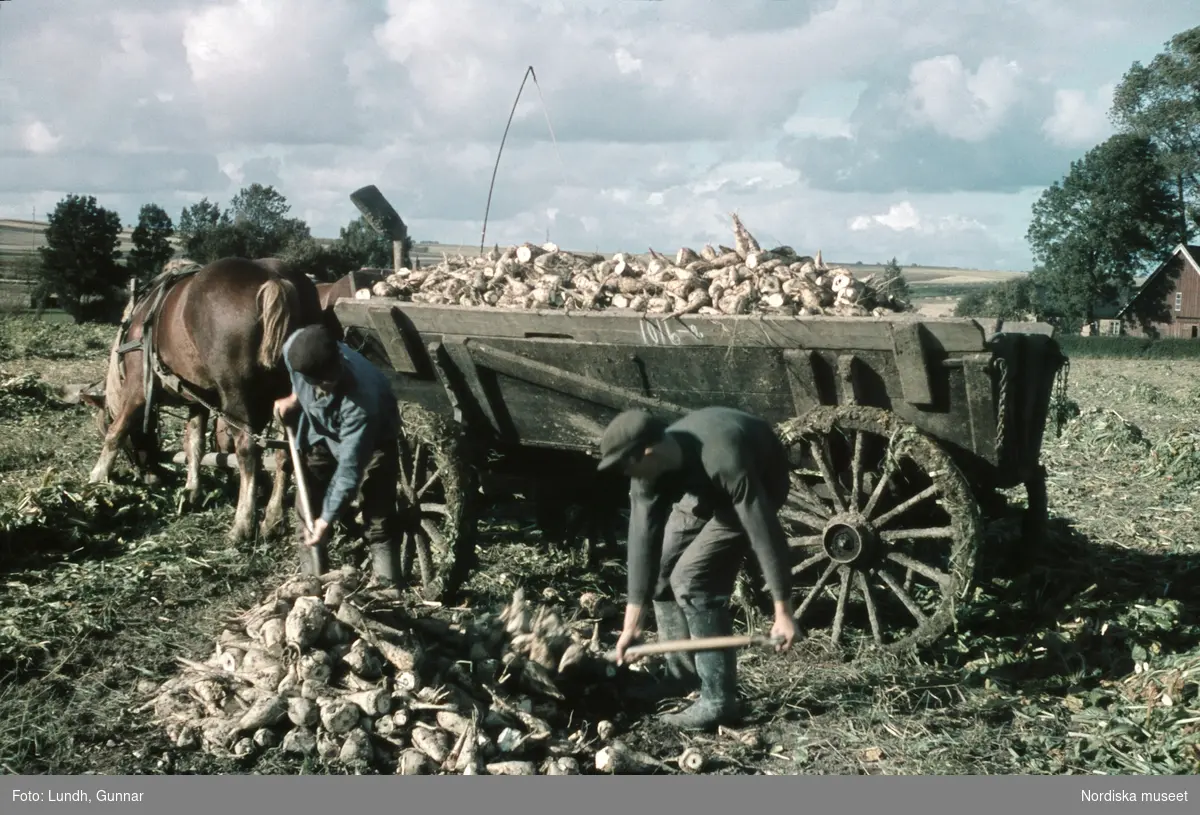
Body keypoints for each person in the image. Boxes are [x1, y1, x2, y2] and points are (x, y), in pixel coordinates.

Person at [597, 405, 798, 731]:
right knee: (663, 572)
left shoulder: (724, 456)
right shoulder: (648, 471)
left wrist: (783, 612)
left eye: (626, 465)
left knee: (692, 579)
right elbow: (640, 540)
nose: (625, 475)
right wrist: (632, 624)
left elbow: (765, 532)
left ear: (648, 452)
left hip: (758, 480)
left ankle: (719, 701)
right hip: (704, 488)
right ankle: (680, 675)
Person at [273, 324, 403, 585]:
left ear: (338, 357)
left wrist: (327, 520)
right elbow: (296, 378)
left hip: (374, 440)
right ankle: (312, 586)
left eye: (334, 377)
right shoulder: (293, 349)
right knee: (308, 509)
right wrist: (295, 398)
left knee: (379, 519)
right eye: (322, 380)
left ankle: (388, 592)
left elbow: (350, 467)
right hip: (320, 431)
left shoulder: (362, 399)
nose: (330, 382)